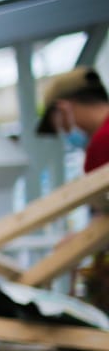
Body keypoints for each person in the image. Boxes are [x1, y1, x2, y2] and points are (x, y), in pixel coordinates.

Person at [35, 65, 109, 312]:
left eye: (59, 124)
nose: (63, 132)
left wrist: (79, 243)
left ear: (64, 108)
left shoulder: (101, 144)